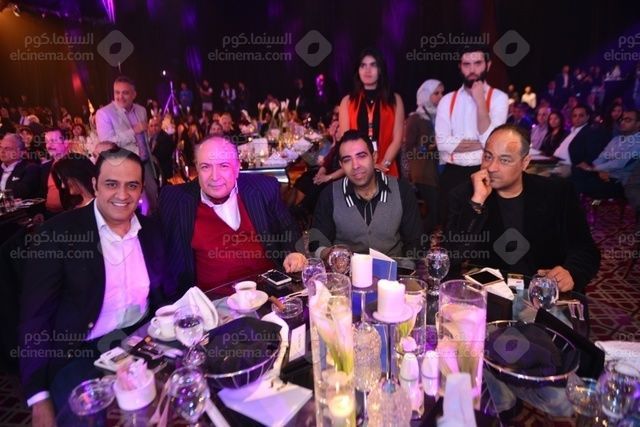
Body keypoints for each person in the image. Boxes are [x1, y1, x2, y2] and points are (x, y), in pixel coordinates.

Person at [19, 148, 169, 424]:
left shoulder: (151, 231)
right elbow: (35, 318)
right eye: (111, 184)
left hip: (140, 341)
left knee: (176, 400)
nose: (122, 195)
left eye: (132, 185)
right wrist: (38, 397)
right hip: (80, 353)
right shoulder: (57, 234)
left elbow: (162, 294)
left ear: (141, 189)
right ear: (94, 185)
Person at [446, 124, 600, 294]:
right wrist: (477, 203)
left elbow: (585, 249)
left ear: (524, 163)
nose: (491, 167)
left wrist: (572, 273)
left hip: (545, 292)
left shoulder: (557, 192)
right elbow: (452, 257)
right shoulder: (466, 195)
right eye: (488, 157)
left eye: (504, 160)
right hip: (491, 295)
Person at [159, 136, 306, 297]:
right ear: (197, 169)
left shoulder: (263, 188)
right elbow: (161, 254)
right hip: (214, 303)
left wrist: (292, 252)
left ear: (237, 168)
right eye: (205, 167)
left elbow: (288, 227)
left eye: (224, 166)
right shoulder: (175, 200)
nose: (215, 177)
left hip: (268, 295)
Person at [311, 130, 422, 259]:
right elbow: (316, 244)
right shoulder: (330, 195)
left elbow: (415, 242)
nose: (355, 166)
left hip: (394, 269)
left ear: (374, 157)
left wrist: (404, 267)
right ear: (341, 165)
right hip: (346, 270)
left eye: (361, 156)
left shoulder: (402, 190)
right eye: (347, 160)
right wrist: (330, 253)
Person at [435, 45, 508, 225]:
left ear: (488, 65)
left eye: (477, 63)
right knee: (450, 229)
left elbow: (493, 142)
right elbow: (442, 142)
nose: (472, 69)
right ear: (460, 67)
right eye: (466, 64)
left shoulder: (499, 98)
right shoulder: (447, 100)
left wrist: (480, 101)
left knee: (484, 229)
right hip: (452, 173)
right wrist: (482, 143)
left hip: (486, 173)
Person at [95, 76, 158, 214]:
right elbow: (107, 144)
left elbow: (143, 139)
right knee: (135, 204)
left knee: (153, 198)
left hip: (145, 162)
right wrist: (134, 130)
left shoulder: (141, 110)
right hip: (124, 167)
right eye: (117, 92)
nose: (120, 97)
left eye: (125, 93)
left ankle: (151, 224)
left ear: (134, 94)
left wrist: (152, 134)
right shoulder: (104, 113)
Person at [338, 47, 405, 177]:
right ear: (358, 70)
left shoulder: (395, 100)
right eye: (363, 65)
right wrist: (366, 166)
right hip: (357, 168)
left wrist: (383, 165)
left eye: (373, 65)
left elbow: (397, 140)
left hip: (387, 167)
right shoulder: (347, 101)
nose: (367, 70)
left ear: (380, 70)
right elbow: (345, 140)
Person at [403, 79, 444, 234]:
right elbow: (409, 149)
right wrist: (429, 147)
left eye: (442, 93)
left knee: (438, 214)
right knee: (434, 215)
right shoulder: (415, 118)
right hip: (423, 173)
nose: (441, 96)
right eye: (436, 93)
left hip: (438, 171)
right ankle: (416, 241)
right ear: (426, 95)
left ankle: (424, 243)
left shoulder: (440, 116)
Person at [573, 108, 640, 199]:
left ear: (638, 124)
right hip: (603, 173)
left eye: (628, 120)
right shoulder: (616, 139)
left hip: (620, 180)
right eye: (622, 119)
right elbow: (603, 156)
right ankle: (579, 204)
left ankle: (591, 204)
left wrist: (593, 169)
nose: (622, 122)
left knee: (587, 184)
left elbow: (620, 163)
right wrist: (597, 169)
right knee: (577, 172)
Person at [0, 133, 40, 199]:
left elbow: (21, 192)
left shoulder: (31, 168)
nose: (2, 151)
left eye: (7, 148)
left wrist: (1, 196)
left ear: (21, 152)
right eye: (1, 147)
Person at [148, 117, 177, 185]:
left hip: (163, 170)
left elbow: (161, 156)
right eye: (151, 126)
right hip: (155, 168)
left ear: (160, 126)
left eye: (156, 125)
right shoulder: (152, 138)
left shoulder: (165, 138)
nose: (154, 128)